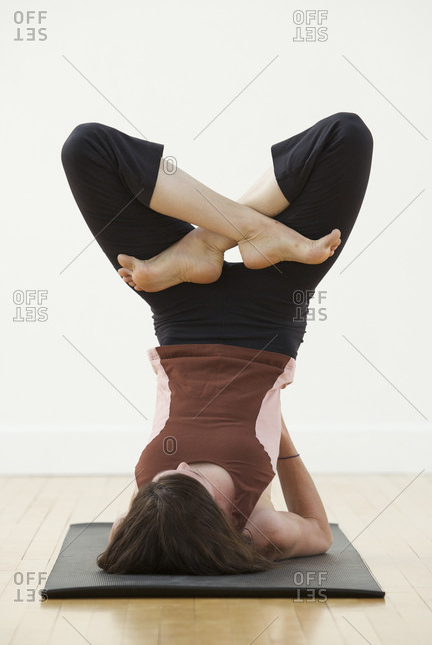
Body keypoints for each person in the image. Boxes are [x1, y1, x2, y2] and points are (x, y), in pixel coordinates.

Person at [60, 111, 373, 575]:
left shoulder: (146, 519)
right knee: (347, 137)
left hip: (178, 307)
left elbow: (152, 520)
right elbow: (319, 531)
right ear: (227, 520)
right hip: (269, 312)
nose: (181, 467)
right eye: (194, 481)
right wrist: (278, 429)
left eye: (164, 482)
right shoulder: (262, 527)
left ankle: (219, 240)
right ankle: (233, 235)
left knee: (85, 147)